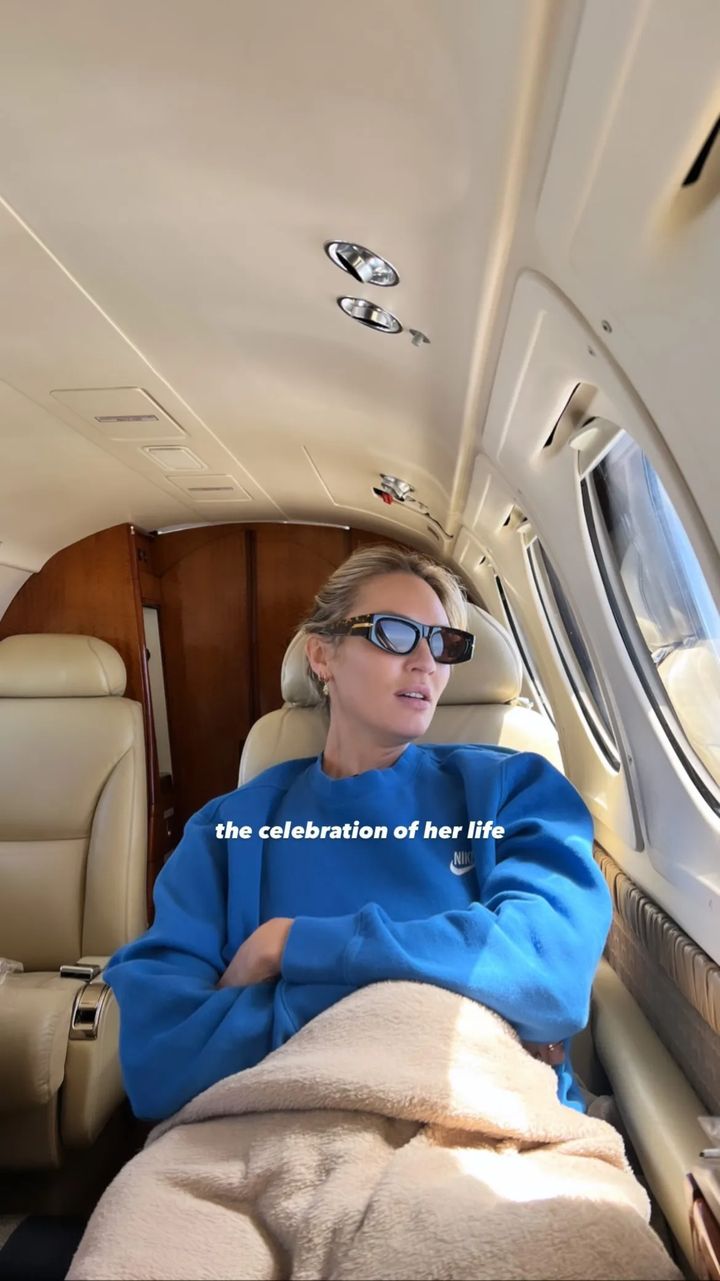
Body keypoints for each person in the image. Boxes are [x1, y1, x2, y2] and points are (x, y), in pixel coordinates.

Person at [105, 545, 612, 1121]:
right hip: (271, 1122)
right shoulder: (230, 830)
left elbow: (547, 979)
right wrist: (466, 1003)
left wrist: (288, 947)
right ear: (322, 655)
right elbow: (160, 1060)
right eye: (394, 633)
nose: (425, 662)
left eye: (444, 643)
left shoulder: (514, 790)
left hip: (477, 1115)